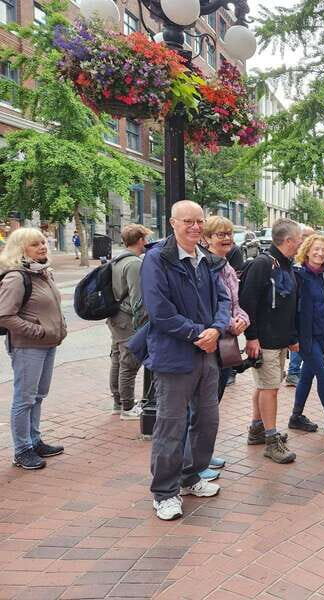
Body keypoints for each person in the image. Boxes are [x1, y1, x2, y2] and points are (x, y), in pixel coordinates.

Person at [129, 200, 231, 520]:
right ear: (172, 223)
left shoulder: (208, 260)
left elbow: (224, 299)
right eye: (187, 221)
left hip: (207, 354)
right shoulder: (157, 259)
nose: (195, 227)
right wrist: (197, 334)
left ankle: (191, 476)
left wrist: (216, 329)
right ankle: (165, 492)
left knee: (207, 421)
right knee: (170, 426)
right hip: (175, 356)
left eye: (199, 221)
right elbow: (159, 310)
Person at [0, 228, 67, 470]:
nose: (43, 246)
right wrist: (37, 330)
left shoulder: (42, 273)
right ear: (21, 250)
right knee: (24, 398)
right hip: (28, 346)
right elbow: (4, 315)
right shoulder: (17, 277)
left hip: (48, 344)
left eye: (43, 242)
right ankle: (22, 449)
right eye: (35, 244)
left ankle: (34, 440)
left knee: (38, 396)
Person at [240, 218, 302, 463]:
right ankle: (271, 439)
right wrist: (251, 337)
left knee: (265, 386)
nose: (300, 244)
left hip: (278, 340)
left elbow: (288, 307)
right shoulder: (263, 264)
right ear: (288, 241)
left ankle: (257, 428)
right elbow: (248, 303)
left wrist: (291, 338)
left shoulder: (285, 265)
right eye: (298, 240)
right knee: (270, 389)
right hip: (264, 340)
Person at [201, 216, 250, 478]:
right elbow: (205, 308)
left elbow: (235, 304)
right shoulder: (205, 267)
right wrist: (229, 322)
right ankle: (196, 462)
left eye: (229, 233)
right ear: (206, 239)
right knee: (202, 406)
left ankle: (204, 455)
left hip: (226, 343)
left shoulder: (227, 267)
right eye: (220, 234)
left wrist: (242, 319)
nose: (227, 238)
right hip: (210, 343)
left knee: (213, 402)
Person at [290, 234, 324, 434]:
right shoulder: (298, 275)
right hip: (305, 337)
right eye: (316, 249)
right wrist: (292, 338)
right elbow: (291, 309)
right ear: (307, 251)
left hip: (321, 335)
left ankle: (296, 416)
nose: (320, 253)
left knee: (306, 376)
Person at [107, 224, 151, 421]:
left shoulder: (118, 259)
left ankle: (118, 402)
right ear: (140, 239)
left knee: (118, 358)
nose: (147, 242)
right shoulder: (134, 263)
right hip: (127, 319)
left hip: (115, 317)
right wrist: (142, 324)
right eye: (146, 239)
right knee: (129, 363)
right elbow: (137, 298)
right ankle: (127, 406)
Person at [286, 225, 315, 387]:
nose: (307, 240)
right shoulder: (295, 259)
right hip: (297, 308)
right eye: (305, 236)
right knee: (298, 340)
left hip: (308, 308)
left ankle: (300, 371)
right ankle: (293, 372)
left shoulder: (309, 256)